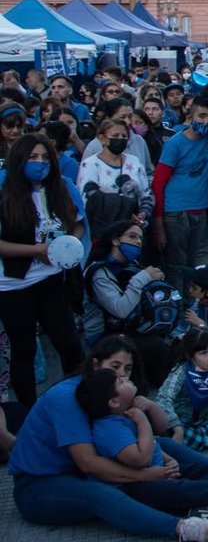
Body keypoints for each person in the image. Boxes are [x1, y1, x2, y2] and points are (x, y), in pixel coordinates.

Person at [7, 335, 208, 541]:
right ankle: (181, 528)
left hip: (81, 471)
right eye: (114, 366)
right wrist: (149, 474)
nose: (121, 374)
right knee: (101, 493)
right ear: (95, 364)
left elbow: (157, 432)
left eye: (126, 369)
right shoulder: (68, 398)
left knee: (164, 446)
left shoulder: (107, 395)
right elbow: (88, 463)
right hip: (39, 487)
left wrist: (158, 443)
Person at [76, 367, 208, 523]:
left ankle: (201, 509)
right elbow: (140, 458)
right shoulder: (110, 429)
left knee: (206, 472)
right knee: (184, 489)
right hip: (141, 485)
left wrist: (169, 459)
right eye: (120, 381)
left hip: (161, 470)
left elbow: (154, 442)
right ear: (113, 402)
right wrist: (142, 422)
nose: (126, 378)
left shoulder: (125, 414)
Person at [0, 133, 87, 407]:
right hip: (14, 286)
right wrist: (37, 251)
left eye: (45, 157)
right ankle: (29, 411)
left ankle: (78, 402)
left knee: (71, 345)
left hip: (51, 282)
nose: (40, 163)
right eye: (33, 157)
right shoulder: (6, 196)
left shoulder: (60, 188)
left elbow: (78, 223)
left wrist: (65, 246)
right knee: (23, 350)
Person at [81, 220, 173, 385]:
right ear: (115, 240)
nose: (138, 242)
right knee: (157, 347)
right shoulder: (98, 272)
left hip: (127, 327)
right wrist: (144, 277)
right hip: (103, 336)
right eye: (132, 236)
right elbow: (120, 309)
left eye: (140, 239)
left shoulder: (131, 265)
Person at [151, 98, 208, 290]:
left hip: (200, 210)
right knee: (176, 266)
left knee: (194, 264)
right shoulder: (175, 143)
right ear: (190, 116)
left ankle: (190, 307)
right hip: (175, 213)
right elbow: (158, 183)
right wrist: (158, 223)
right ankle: (175, 309)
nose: (205, 121)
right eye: (201, 116)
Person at [157, 328, 208, 451]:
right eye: (204, 353)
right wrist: (176, 425)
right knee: (164, 427)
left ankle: (198, 440)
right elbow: (163, 398)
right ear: (190, 356)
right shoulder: (182, 370)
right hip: (183, 419)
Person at [77, 118, 154, 240]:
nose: (120, 139)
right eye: (115, 135)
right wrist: (125, 207)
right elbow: (88, 199)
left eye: (124, 136)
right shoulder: (90, 164)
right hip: (101, 231)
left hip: (131, 230)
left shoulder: (134, 162)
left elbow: (146, 194)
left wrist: (143, 214)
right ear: (102, 138)